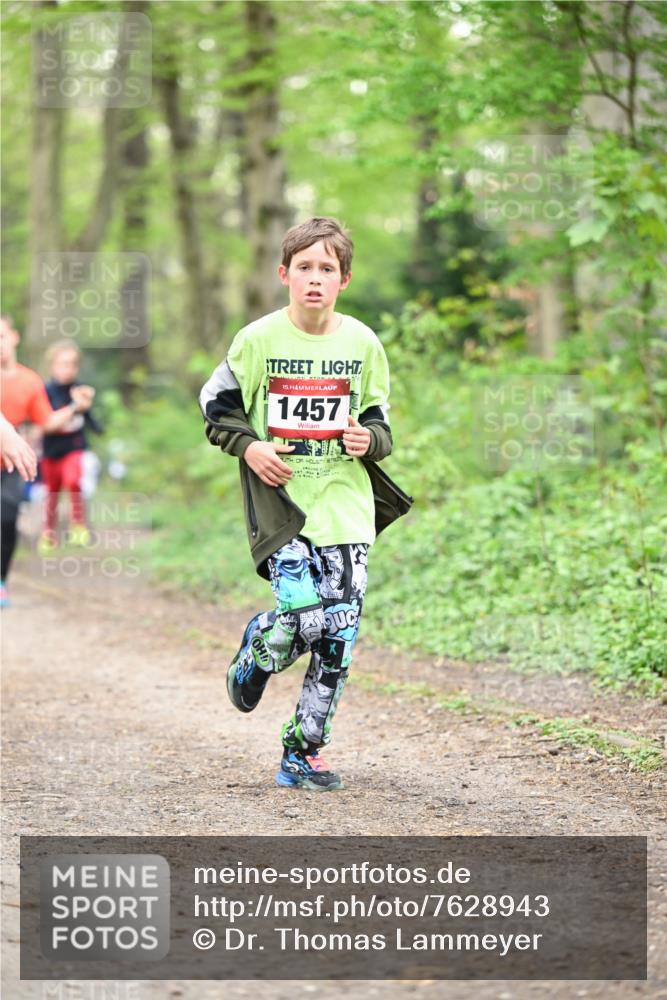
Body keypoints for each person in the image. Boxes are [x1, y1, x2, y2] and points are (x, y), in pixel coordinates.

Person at [199, 217, 412, 790]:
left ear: (343, 278)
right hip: (284, 505)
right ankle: (257, 651)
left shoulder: (362, 343)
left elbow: (379, 420)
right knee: (305, 619)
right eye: (304, 268)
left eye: (327, 269)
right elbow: (216, 407)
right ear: (284, 274)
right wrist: (251, 449)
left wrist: (371, 440)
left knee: (339, 632)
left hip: (346, 506)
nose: (314, 279)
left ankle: (302, 751)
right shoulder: (258, 339)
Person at [0, 317, 94, 607]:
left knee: (7, 518)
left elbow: (48, 421)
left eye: (1, 336)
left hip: (11, 463)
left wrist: (75, 407)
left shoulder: (29, 381)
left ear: (14, 337)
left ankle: (1, 581)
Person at [39, 339, 103, 553]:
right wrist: (74, 406)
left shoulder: (80, 390)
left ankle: (78, 527)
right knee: (52, 493)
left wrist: (96, 426)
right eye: (62, 364)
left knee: (74, 481)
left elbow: (88, 416)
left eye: (72, 364)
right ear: (52, 366)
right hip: (51, 451)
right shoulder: (46, 391)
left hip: (74, 447)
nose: (68, 369)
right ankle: (49, 533)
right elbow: (45, 420)